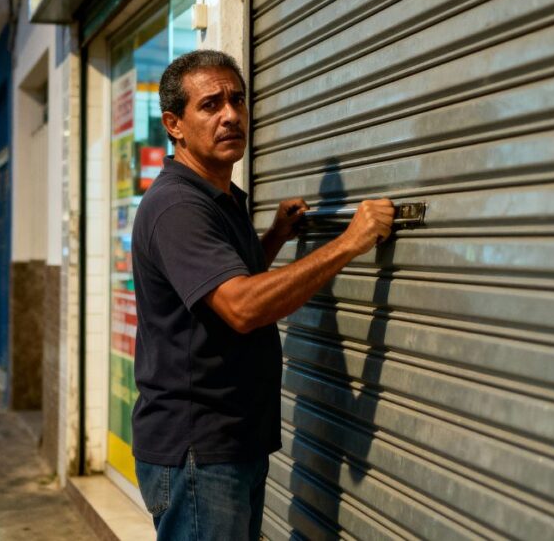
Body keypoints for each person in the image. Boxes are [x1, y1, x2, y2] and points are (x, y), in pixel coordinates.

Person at [131, 49, 394, 540]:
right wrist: (351, 242)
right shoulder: (178, 206)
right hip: (198, 450)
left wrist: (273, 237)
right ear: (175, 124)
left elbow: (220, 286)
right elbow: (242, 306)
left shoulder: (220, 197)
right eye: (210, 105)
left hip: (230, 441)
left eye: (237, 100)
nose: (230, 114)